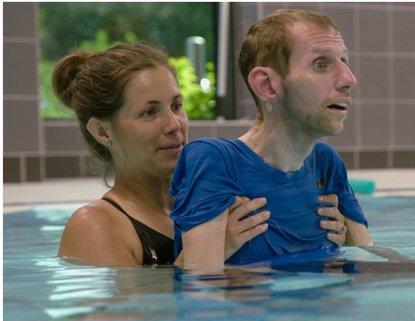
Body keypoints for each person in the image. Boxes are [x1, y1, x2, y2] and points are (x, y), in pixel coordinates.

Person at [54, 42, 348, 267]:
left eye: (176, 105)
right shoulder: (95, 226)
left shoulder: (227, 195)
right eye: (149, 112)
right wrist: (205, 255)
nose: (174, 124)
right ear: (103, 132)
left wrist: (330, 236)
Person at [170, 9, 373, 271]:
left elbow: (368, 258)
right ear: (267, 85)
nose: (349, 79)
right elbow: (202, 292)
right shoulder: (216, 161)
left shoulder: (325, 163)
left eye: (344, 61)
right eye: (321, 64)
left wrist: (347, 240)